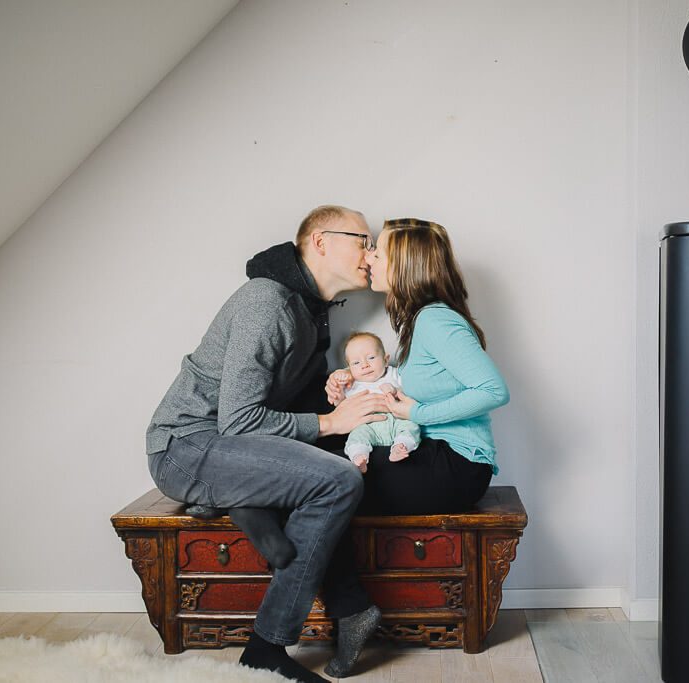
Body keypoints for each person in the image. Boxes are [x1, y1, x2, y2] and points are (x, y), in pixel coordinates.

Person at [145, 205, 386, 682]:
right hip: (185, 446)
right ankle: (267, 648)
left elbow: (286, 401)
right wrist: (329, 422)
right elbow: (239, 419)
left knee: (337, 463)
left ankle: (249, 505)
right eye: (363, 239)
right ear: (320, 242)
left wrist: (336, 392)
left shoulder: (311, 310)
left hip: (229, 445)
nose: (371, 251)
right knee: (338, 480)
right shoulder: (267, 303)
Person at [326, 218, 510, 515]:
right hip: (431, 450)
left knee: (319, 477)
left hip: (458, 465)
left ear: (403, 265)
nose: (368, 258)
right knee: (317, 463)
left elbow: (493, 391)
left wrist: (416, 413)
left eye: (378, 253)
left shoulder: (435, 320)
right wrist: (349, 383)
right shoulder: (419, 321)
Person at [335, 331, 421, 472]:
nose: (365, 365)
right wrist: (338, 394)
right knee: (356, 436)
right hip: (368, 425)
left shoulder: (394, 374)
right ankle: (359, 456)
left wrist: (395, 390)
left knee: (411, 426)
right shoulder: (351, 384)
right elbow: (341, 407)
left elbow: (411, 392)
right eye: (356, 362)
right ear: (349, 368)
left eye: (371, 357)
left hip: (397, 419)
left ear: (386, 360)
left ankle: (401, 447)